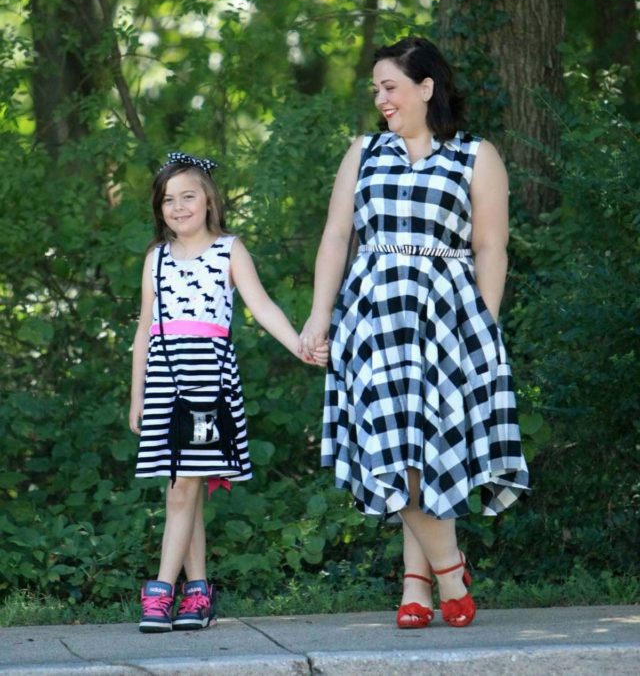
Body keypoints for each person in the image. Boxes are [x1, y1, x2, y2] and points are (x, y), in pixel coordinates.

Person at [300, 37, 529, 628]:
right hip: (373, 317)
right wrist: (318, 316)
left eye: (390, 86)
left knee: (427, 452)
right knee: (392, 446)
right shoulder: (364, 151)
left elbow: (490, 247)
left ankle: (414, 590)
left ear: (426, 88)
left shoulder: (476, 155)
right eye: (376, 89)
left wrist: (483, 327)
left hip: (448, 321)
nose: (380, 99)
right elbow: (335, 238)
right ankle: (451, 573)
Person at [129, 151, 327, 633]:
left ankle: (160, 592)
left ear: (208, 200)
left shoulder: (229, 249)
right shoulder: (155, 258)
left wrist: (300, 344)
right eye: (168, 201)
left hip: (207, 384)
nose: (178, 208)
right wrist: (136, 395)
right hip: (164, 381)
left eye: (187, 197)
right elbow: (143, 330)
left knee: (183, 488)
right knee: (184, 489)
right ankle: (197, 594)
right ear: (159, 209)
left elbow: (261, 306)